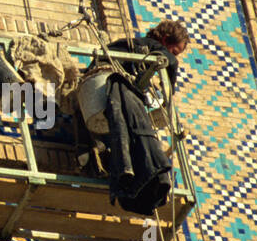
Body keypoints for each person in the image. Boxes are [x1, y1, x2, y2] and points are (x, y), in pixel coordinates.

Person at [81, 20, 189, 215]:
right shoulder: (148, 48)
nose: (173, 56)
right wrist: (168, 91)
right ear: (164, 40)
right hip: (105, 89)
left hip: (97, 100)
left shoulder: (135, 51)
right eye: (174, 50)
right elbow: (169, 62)